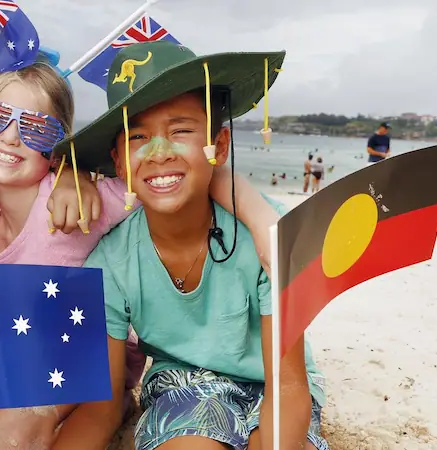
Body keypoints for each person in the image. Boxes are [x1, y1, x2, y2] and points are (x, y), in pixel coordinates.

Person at [0, 59, 282, 449]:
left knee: (5, 436)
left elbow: (177, 174)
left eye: (35, 128)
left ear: (58, 145)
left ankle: (101, 411)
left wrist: (260, 217)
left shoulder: (79, 204)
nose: (10, 138)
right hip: (7, 355)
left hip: (81, 361)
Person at [49, 41, 328, 450]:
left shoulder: (267, 237)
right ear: (119, 160)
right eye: (138, 136)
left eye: (180, 131)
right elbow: (101, 408)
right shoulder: (111, 262)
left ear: (220, 146)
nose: (159, 152)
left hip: (273, 380)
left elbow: (287, 385)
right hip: (181, 383)